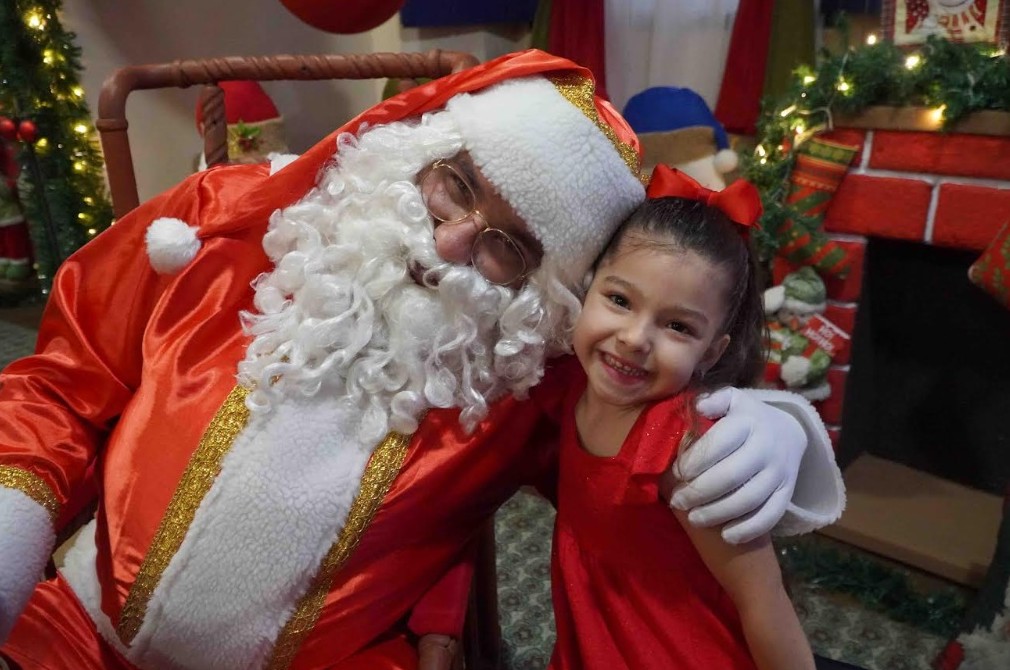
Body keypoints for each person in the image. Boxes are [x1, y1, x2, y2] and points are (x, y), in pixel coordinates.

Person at [0, 50, 842, 670]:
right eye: (457, 184)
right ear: (418, 148)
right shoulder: (230, 228)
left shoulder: (523, 380)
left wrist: (773, 423)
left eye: (508, 245)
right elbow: (63, 385)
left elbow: (633, 458)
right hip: (78, 626)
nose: (451, 241)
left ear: (546, 291)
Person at [549, 166, 815, 669]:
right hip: (592, 634)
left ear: (712, 353)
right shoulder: (571, 382)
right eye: (620, 300)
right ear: (586, 289)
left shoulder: (688, 448)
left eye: (677, 326)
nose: (634, 337)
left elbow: (764, 599)